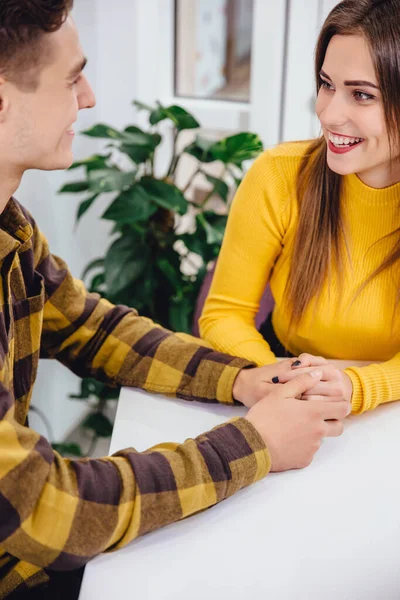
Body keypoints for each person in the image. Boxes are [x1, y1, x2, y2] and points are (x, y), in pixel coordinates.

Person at [0, 2, 351, 598]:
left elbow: (92, 327)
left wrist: (242, 380)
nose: (88, 98)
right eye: (71, 78)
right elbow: (40, 508)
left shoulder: (12, 230)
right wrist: (253, 443)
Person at [200, 0, 400, 417]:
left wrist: (357, 386)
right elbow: (224, 314)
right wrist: (286, 379)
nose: (328, 113)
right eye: (327, 84)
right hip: (284, 386)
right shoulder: (279, 175)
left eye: (361, 94)